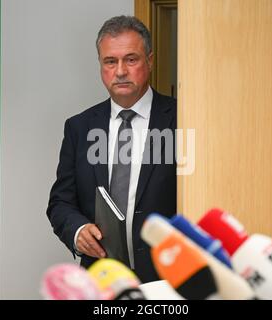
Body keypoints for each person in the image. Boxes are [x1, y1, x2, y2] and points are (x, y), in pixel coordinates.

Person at [46, 15, 176, 283]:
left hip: (168, 281)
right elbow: (61, 202)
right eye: (110, 61)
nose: (120, 71)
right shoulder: (79, 127)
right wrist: (77, 229)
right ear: (101, 65)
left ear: (149, 61)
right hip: (100, 281)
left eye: (131, 59)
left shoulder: (183, 118)